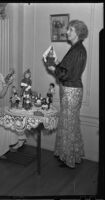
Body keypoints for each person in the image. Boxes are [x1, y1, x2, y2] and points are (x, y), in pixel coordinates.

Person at [43, 20, 88, 168]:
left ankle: (68, 159)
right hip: (73, 90)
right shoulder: (79, 48)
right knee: (71, 124)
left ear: (78, 33)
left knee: (68, 125)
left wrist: (52, 68)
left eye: (70, 30)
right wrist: (57, 64)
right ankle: (73, 156)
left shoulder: (76, 50)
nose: (67, 32)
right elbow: (67, 68)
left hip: (70, 91)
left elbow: (64, 74)